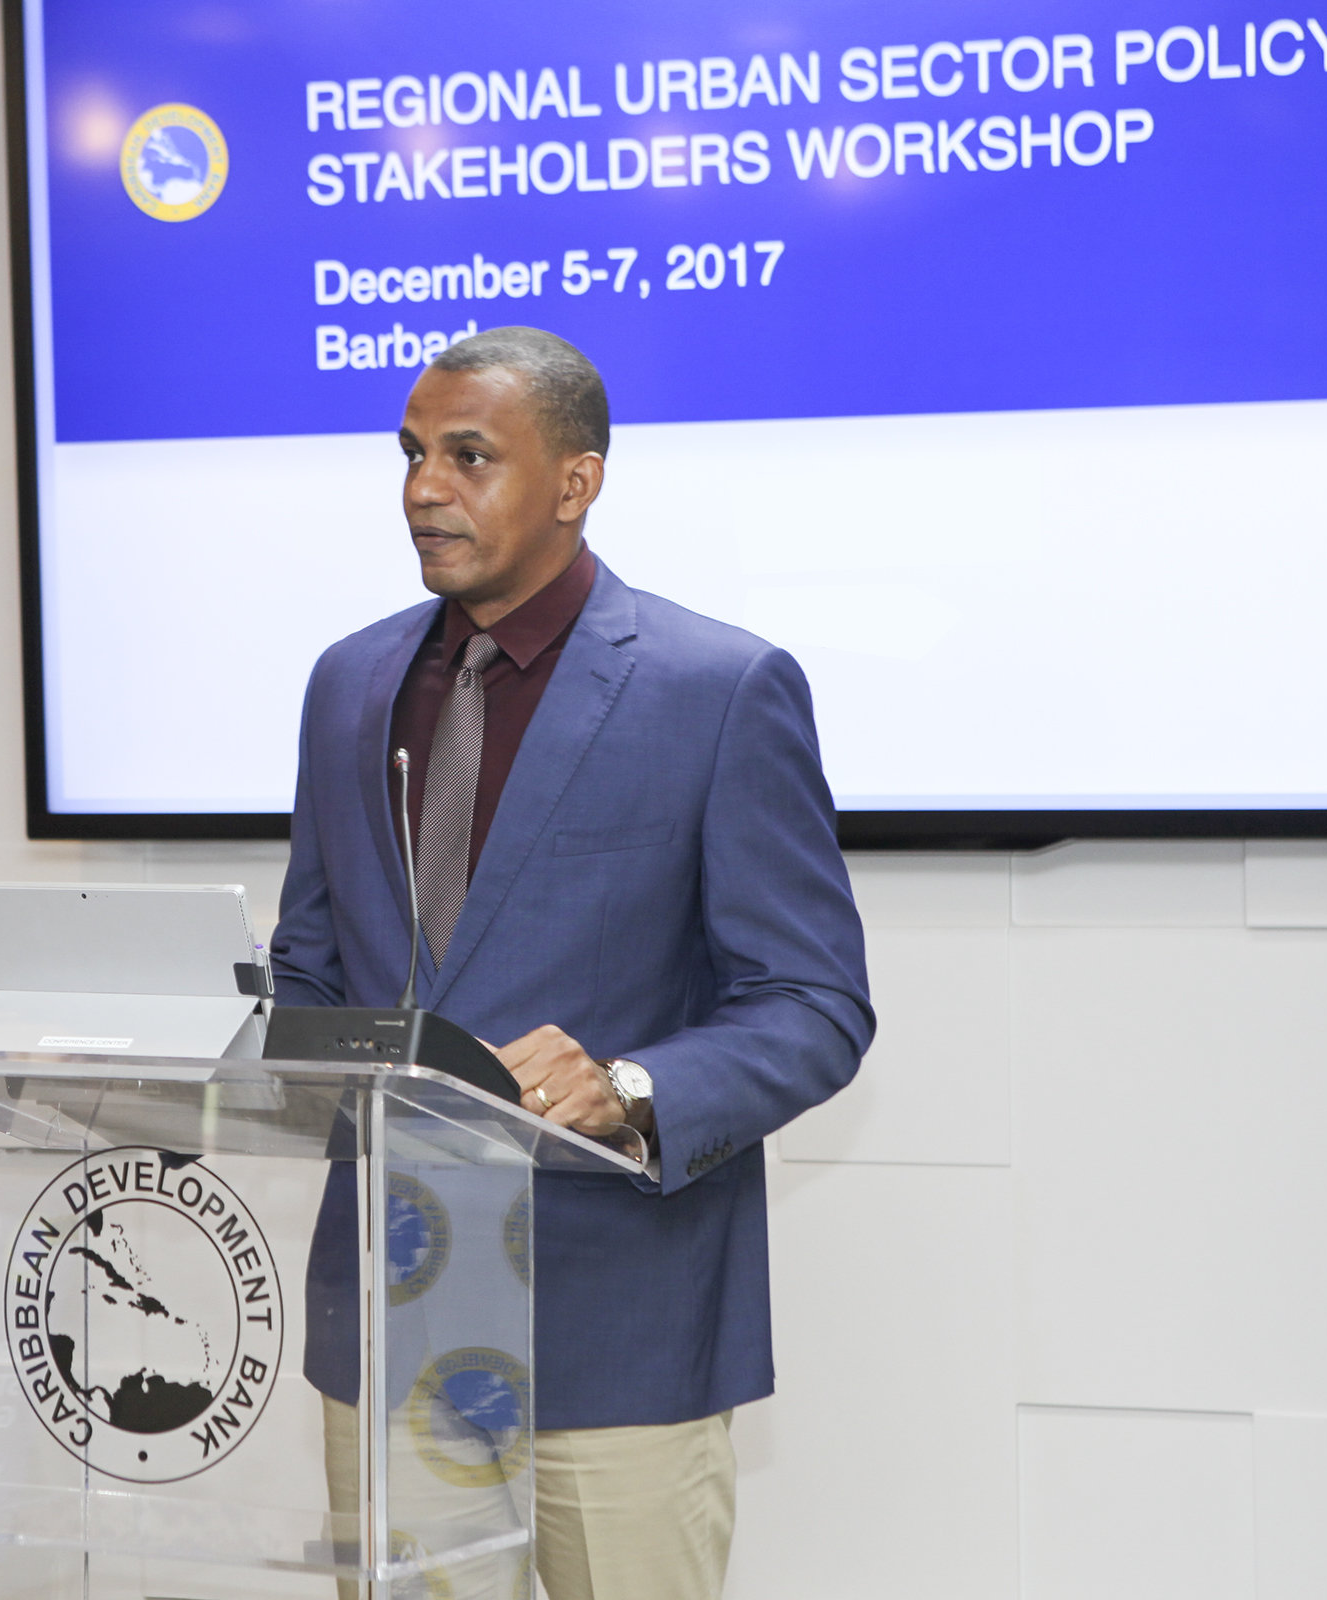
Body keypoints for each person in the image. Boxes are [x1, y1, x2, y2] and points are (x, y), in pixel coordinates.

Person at [272, 327, 873, 1600]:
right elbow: (312, 967)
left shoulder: (717, 687)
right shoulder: (347, 686)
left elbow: (814, 1002)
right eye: (413, 455)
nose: (424, 488)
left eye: (469, 456)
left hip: (619, 1325)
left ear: (575, 481)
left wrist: (635, 1087)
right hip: (393, 1313)